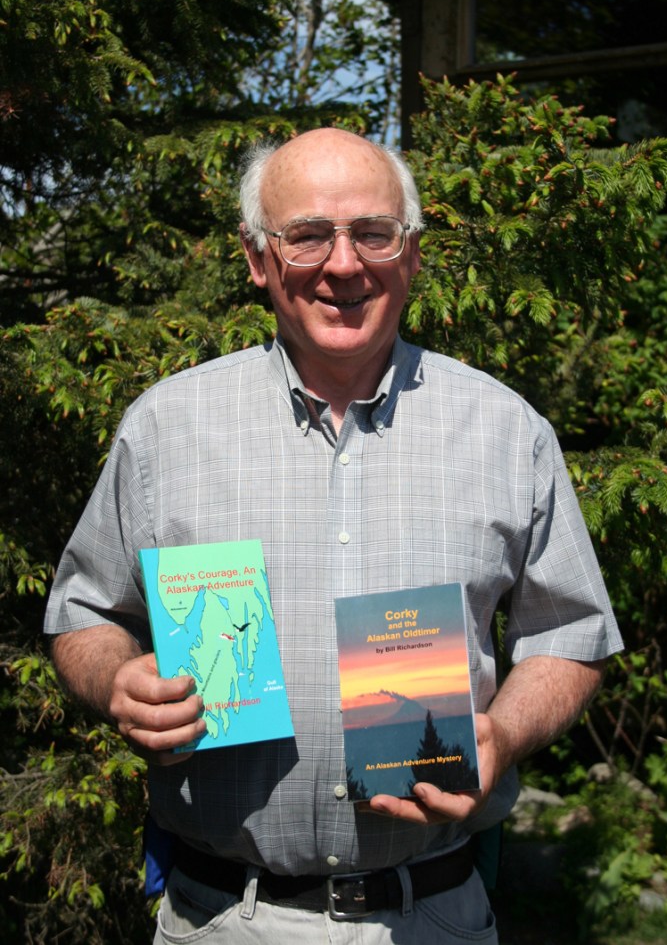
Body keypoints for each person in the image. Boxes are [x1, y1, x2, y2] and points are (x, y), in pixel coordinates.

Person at [44, 128, 623, 944]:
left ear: (410, 253)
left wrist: (503, 731)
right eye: (308, 235)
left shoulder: (505, 430)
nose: (343, 264)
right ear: (258, 258)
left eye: (373, 233)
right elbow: (83, 610)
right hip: (221, 917)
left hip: (432, 915)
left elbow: (571, 632)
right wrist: (116, 679)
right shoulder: (167, 428)